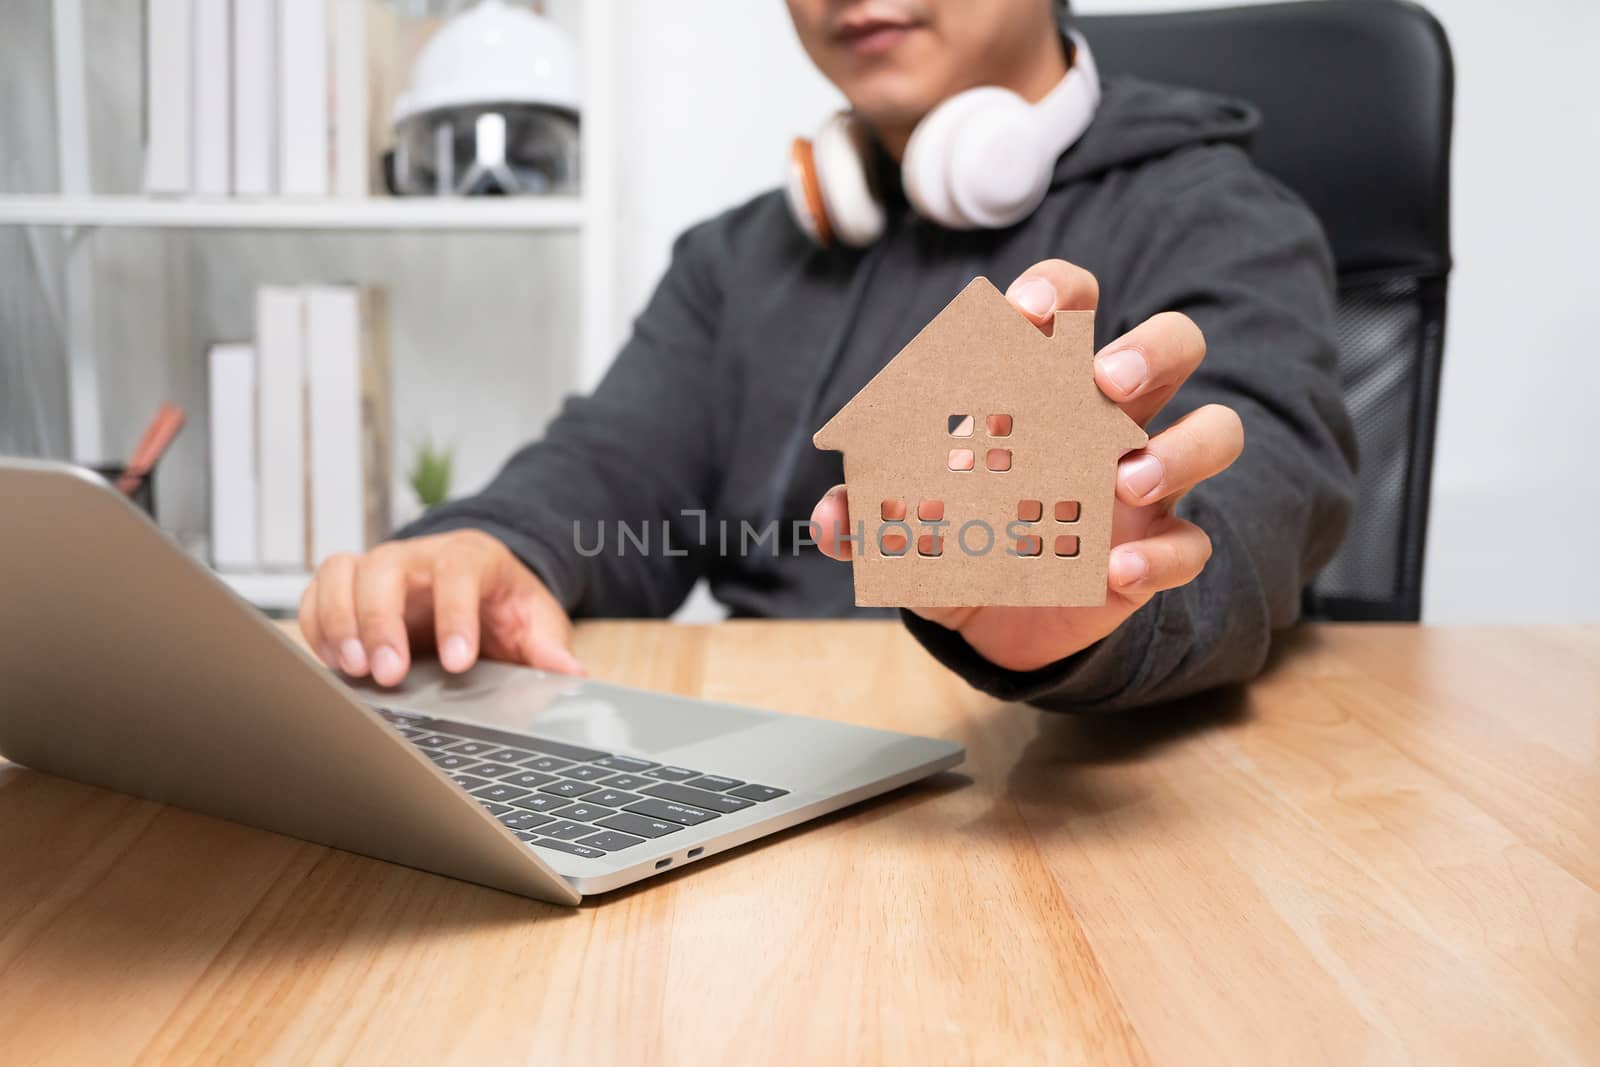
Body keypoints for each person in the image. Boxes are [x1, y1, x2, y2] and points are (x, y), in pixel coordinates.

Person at [298, 0, 1356, 712]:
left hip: (1057, 796)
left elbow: (1256, 506)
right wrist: (492, 546)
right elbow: (610, 464)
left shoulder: (1218, 217)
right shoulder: (738, 255)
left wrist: (1090, 615)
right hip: (771, 789)